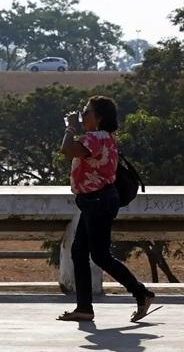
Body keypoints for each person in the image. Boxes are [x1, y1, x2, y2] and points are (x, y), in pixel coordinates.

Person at [57, 95, 154, 322]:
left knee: (100, 255)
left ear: (98, 118)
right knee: (79, 252)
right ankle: (84, 308)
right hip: (95, 201)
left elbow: (67, 150)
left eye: (86, 112)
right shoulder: (104, 137)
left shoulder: (95, 138)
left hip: (98, 202)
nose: (83, 116)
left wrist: (69, 128)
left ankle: (141, 293)